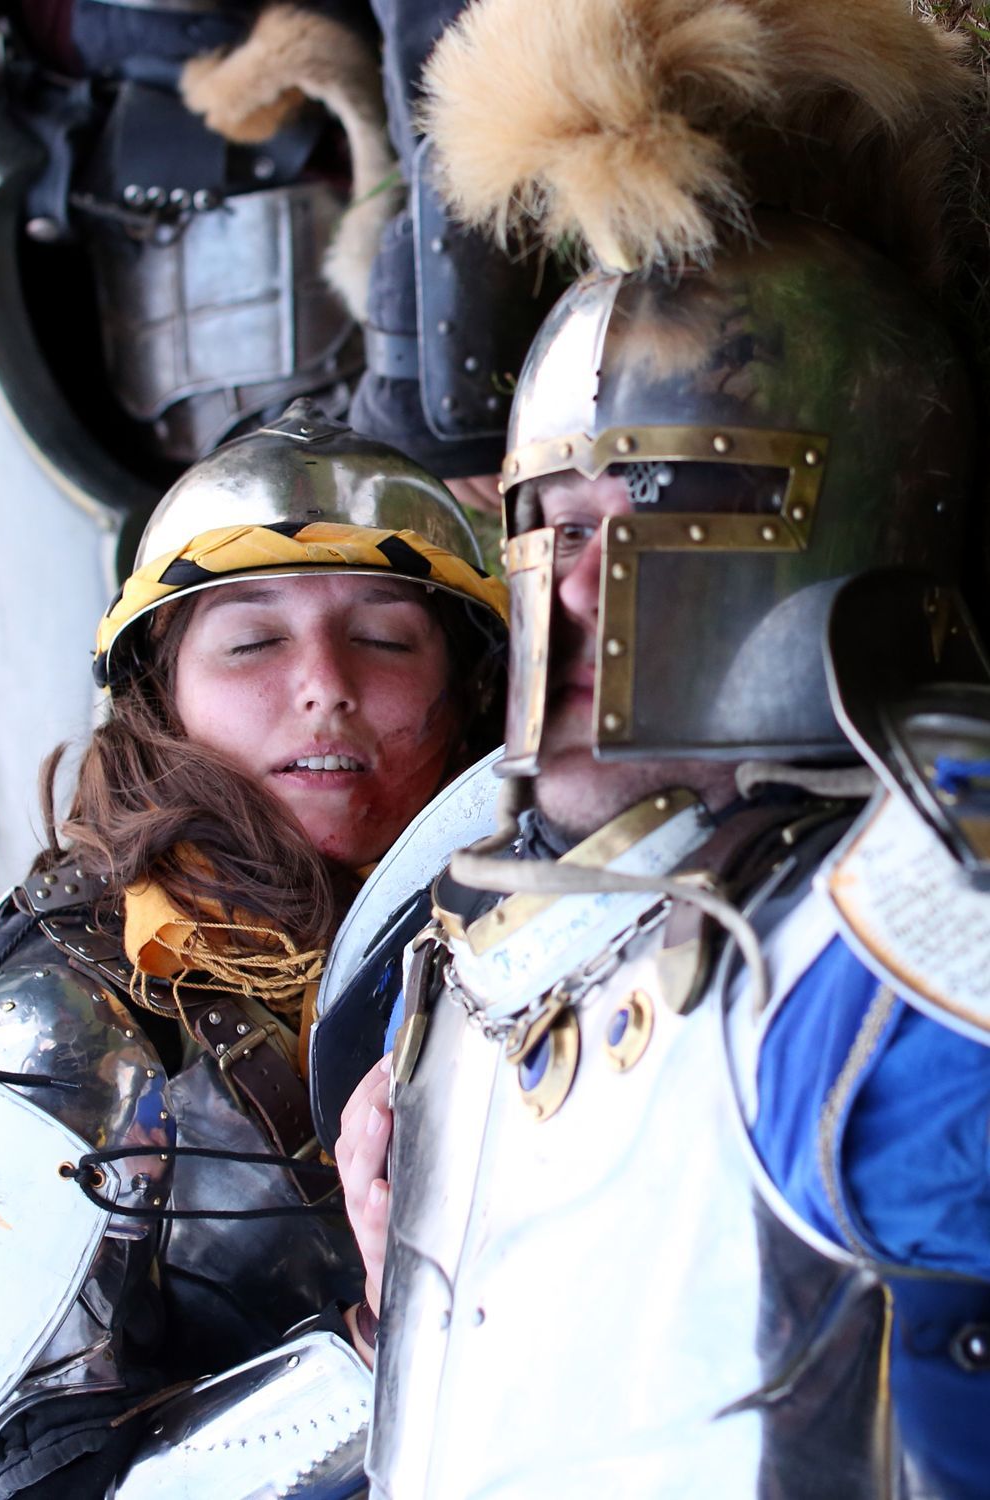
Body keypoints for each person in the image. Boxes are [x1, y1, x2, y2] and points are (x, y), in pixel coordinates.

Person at [332, 2, 990, 1495]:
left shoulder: (891, 947)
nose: (567, 594)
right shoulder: (475, 943)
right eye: (548, 526)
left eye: (654, 519)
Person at [0, 398, 507, 1498]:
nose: (325, 684)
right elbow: (35, 1478)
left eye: (384, 638)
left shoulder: (545, 936)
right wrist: (379, 1339)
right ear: (158, 694)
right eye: (253, 641)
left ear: (468, 688)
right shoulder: (60, 1018)